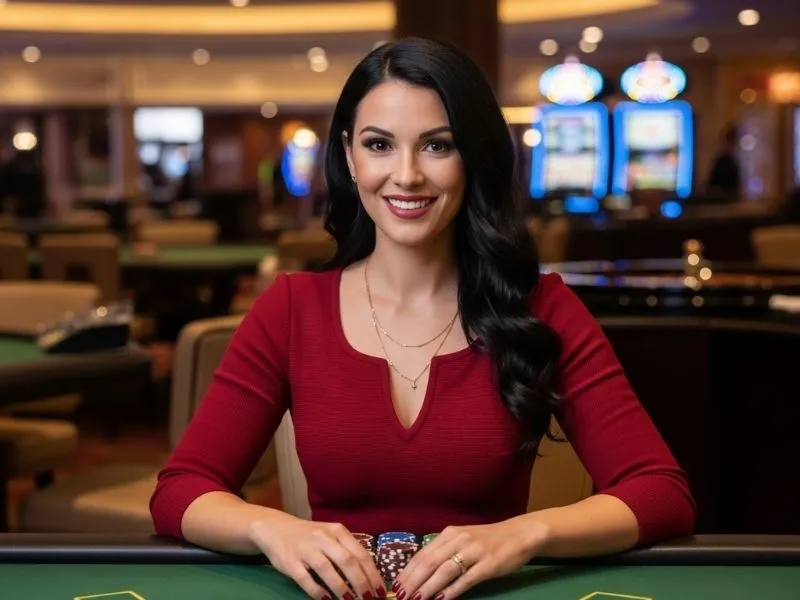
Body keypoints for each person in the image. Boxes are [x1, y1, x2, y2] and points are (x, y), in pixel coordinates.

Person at [150, 37, 695, 600]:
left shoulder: (543, 307)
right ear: (349, 155)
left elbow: (659, 492)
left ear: (474, 156)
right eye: (379, 144)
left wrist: (527, 533)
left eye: (437, 146)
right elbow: (180, 491)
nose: (407, 175)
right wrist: (274, 529)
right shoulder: (290, 309)